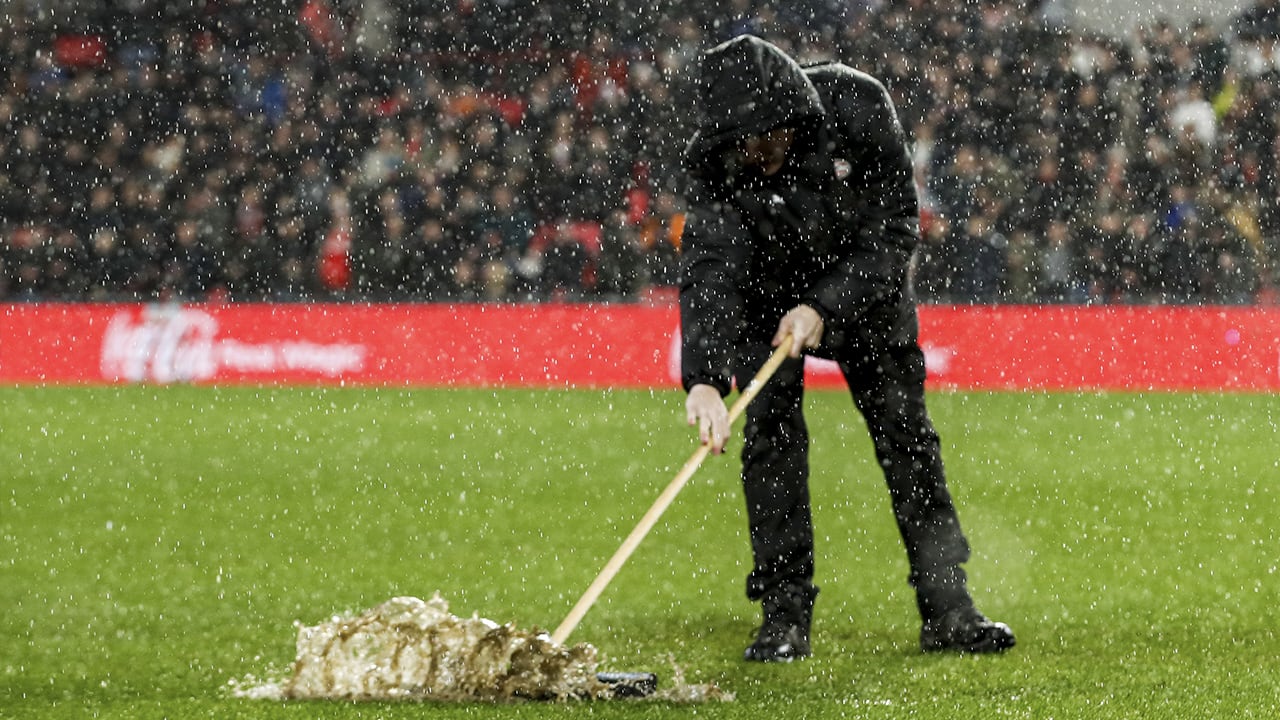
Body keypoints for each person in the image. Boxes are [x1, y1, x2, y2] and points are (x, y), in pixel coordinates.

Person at [678, 35, 1015, 662]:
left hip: (863, 293)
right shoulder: (714, 156)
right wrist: (701, 379)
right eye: (741, 143)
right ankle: (783, 615)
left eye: (766, 137)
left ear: (792, 115)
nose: (755, 153)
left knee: (906, 439)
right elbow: (708, 265)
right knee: (772, 441)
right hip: (762, 295)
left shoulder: (859, 107)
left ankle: (948, 608)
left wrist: (823, 306)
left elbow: (894, 232)